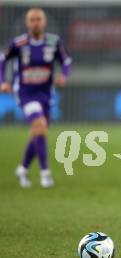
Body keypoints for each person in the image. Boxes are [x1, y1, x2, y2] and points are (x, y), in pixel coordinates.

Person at [0, 8, 72, 188]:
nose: (35, 23)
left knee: (38, 131)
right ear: (27, 23)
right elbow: (2, 59)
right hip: (25, 93)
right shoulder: (19, 43)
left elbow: (66, 61)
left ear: (44, 22)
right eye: (32, 20)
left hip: (46, 94)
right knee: (39, 125)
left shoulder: (54, 42)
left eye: (38, 19)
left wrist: (64, 75)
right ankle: (45, 174)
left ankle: (22, 169)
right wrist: (3, 81)